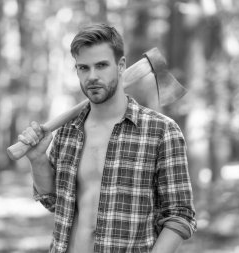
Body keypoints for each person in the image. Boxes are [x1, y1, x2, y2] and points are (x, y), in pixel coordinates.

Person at [18, 23, 197, 253]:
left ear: (121, 66)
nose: (92, 76)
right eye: (83, 68)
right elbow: (53, 201)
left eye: (101, 65)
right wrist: (37, 159)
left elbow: (180, 215)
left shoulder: (161, 131)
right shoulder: (67, 131)